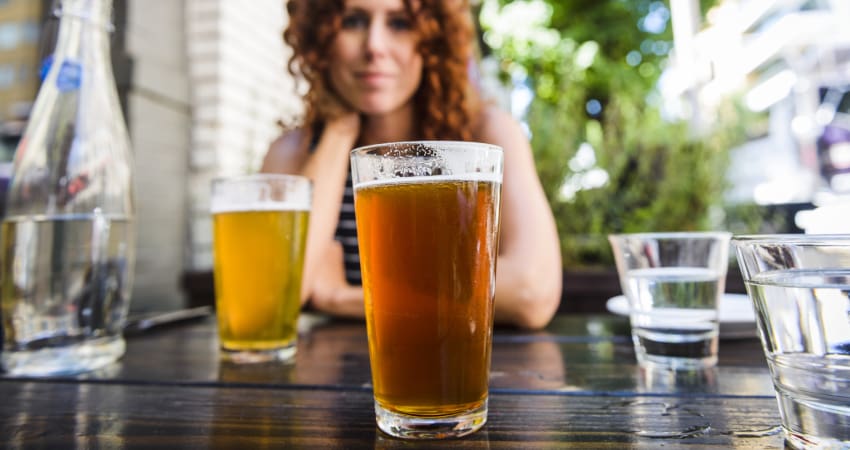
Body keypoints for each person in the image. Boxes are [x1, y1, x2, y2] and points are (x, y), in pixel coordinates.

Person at [262, 0, 562, 329]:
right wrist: (338, 131)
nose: (374, 46)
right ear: (319, 39)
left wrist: (343, 297)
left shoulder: (484, 136)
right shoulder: (294, 151)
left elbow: (532, 292)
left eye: (400, 24)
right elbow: (275, 297)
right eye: (352, 21)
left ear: (433, 40)